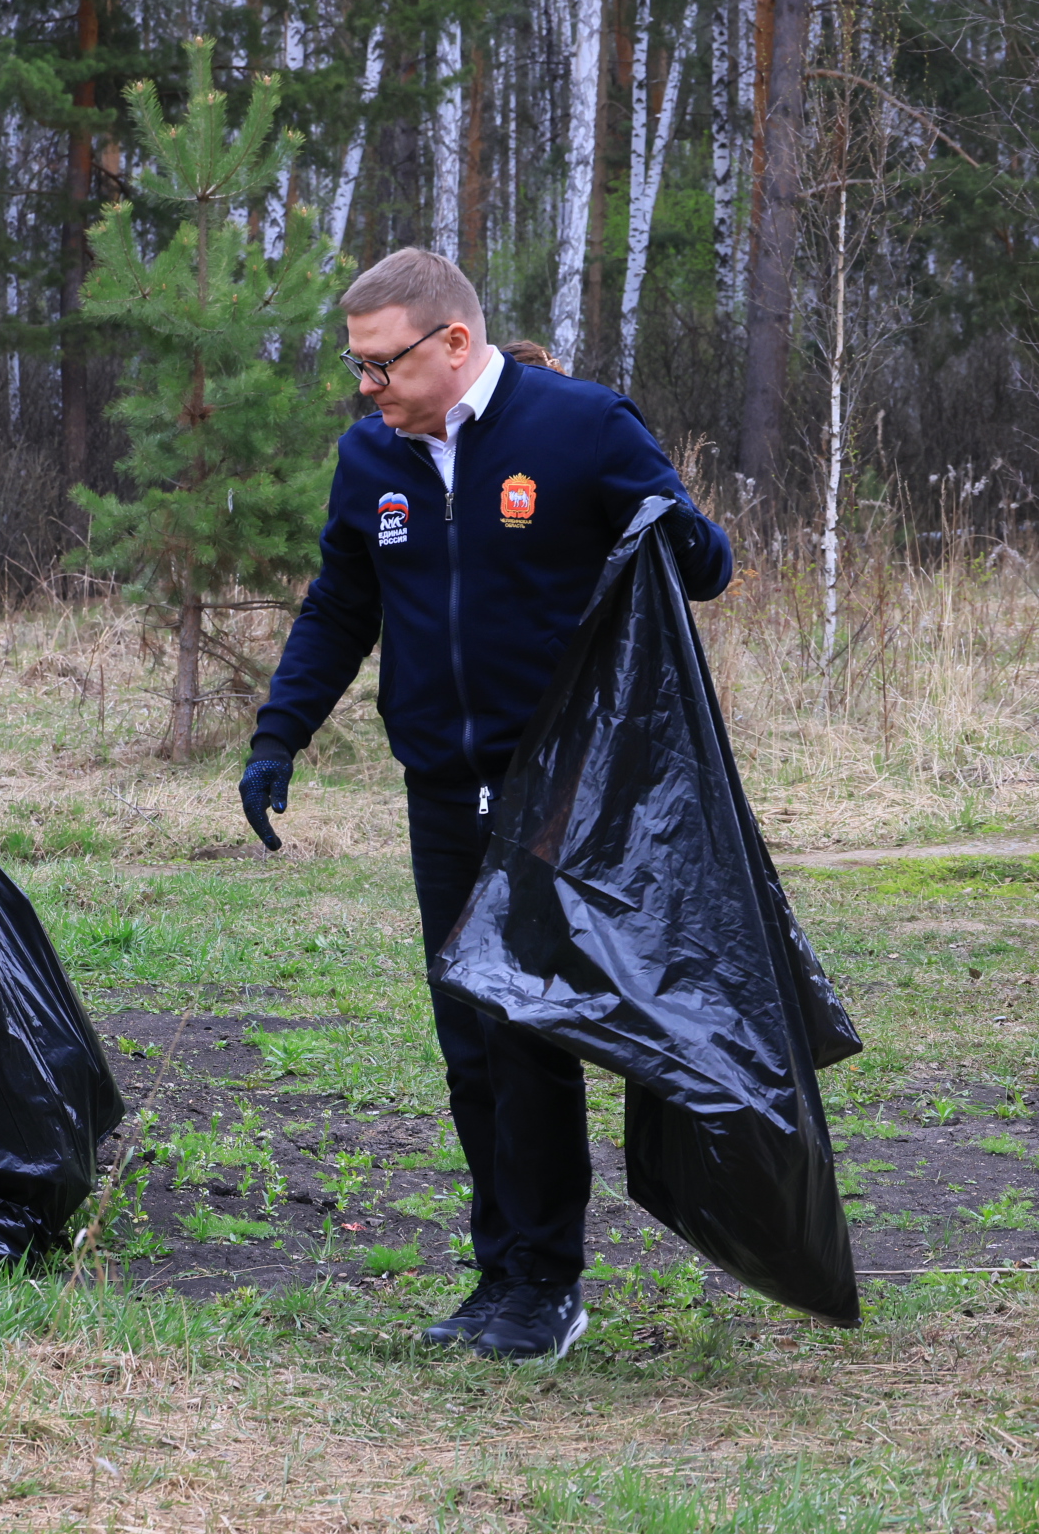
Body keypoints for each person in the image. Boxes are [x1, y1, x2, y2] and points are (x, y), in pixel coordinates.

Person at [239, 248, 733, 1359]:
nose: (368, 388)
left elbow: (702, 569)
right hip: (438, 788)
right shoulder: (373, 457)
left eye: (384, 364)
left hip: (561, 789)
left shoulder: (581, 426)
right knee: (470, 1036)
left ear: (454, 343)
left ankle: (546, 1287)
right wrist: (281, 733)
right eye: (359, 367)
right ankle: (499, 1271)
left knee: (527, 1031)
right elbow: (339, 605)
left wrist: (679, 526)